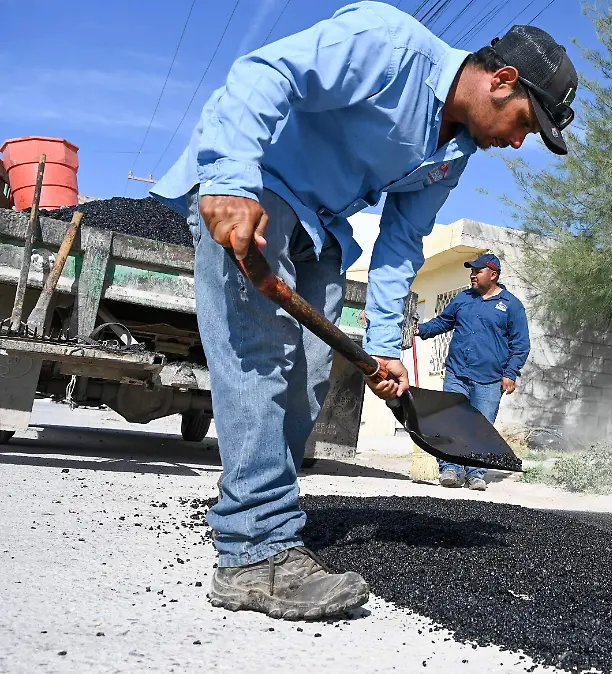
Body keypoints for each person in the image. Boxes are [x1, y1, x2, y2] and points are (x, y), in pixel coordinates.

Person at [149, 1, 577, 619]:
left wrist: (383, 345)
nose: (517, 140)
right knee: (260, 363)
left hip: (320, 232)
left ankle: (267, 517)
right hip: (258, 195)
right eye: (523, 123)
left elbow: (402, 243)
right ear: (502, 80)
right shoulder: (389, 44)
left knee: (309, 384)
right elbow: (263, 74)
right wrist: (229, 179)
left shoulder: (451, 157)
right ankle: (253, 553)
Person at [415, 253, 530, 491]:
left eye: (478, 271)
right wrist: (419, 329)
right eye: (472, 270)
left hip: (489, 380)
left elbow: (520, 345)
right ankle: (450, 469)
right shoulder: (463, 298)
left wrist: (510, 373)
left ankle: (475, 473)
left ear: (493, 275)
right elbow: (443, 322)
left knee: (480, 427)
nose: (473, 274)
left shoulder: (511, 305)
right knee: (450, 422)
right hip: (457, 373)